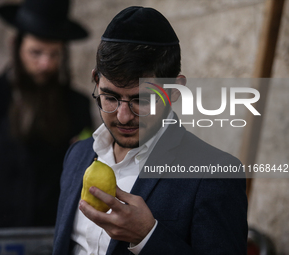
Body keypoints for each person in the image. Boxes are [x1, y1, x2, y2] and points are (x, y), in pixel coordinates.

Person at [53, 6, 248, 255]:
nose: (123, 116)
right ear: (96, 80)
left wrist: (148, 237)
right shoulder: (76, 157)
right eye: (110, 97)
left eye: (142, 100)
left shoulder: (214, 174)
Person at [0, 0, 92, 228]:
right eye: (36, 53)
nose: (45, 64)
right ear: (15, 45)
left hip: (47, 237)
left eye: (54, 55)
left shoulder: (76, 105)